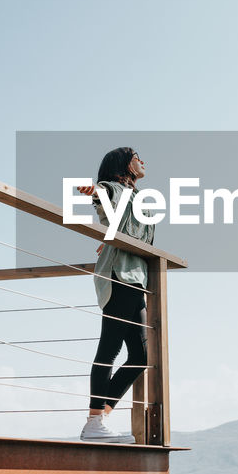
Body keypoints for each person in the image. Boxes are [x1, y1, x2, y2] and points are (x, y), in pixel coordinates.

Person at [78, 147, 155, 441]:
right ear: (124, 163)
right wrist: (93, 192)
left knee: (140, 355)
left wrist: (108, 239)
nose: (143, 160)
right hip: (118, 276)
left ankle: (99, 418)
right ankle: (94, 421)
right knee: (109, 348)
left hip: (136, 278)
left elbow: (128, 230)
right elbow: (103, 196)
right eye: (138, 156)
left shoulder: (138, 198)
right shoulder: (114, 188)